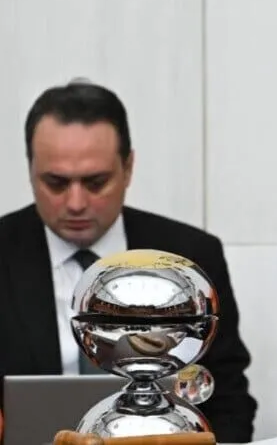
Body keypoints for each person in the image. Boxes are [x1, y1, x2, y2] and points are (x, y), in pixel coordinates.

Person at [0, 80, 258, 442]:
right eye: (56, 183)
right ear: (30, 170)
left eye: (96, 182)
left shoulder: (191, 256)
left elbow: (228, 399)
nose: (76, 203)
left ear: (129, 167)